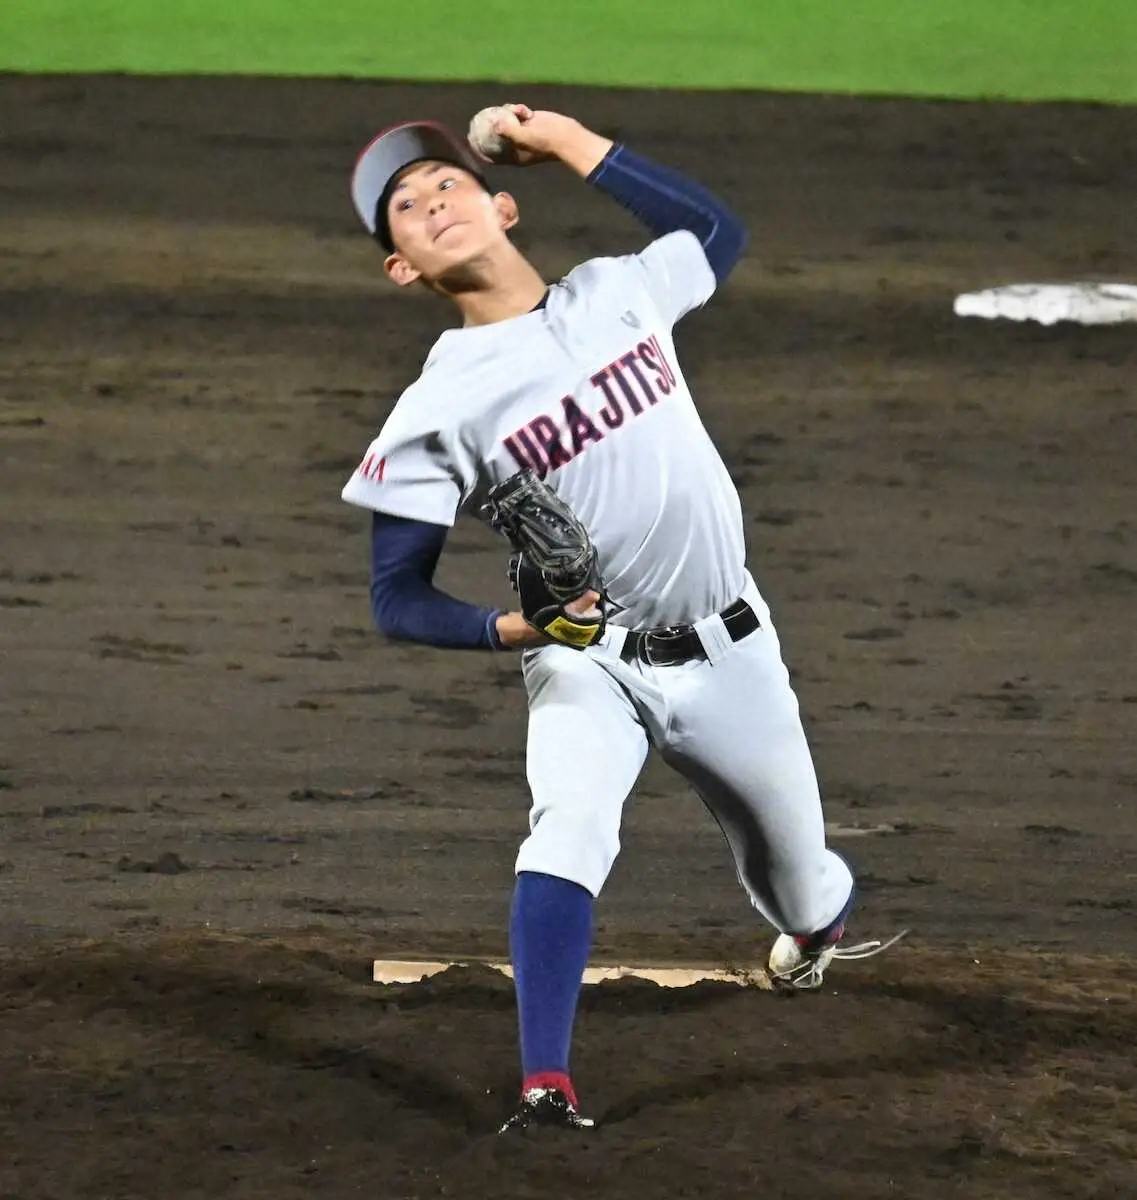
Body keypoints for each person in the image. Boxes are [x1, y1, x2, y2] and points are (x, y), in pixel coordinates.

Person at [340, 104, 901, 1133]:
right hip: (586, 660)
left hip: (732, 651)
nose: (430, 206)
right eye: (406, 212)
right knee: (568, 825)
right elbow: (396, 597)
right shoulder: (434, 408)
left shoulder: (615, 291)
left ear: (502, 203)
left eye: (446, 185)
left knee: (801, 888)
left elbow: (715, 236)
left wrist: (564, 137)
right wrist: (514, 634)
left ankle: (813, 932)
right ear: (402, 271)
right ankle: (545, 1083)